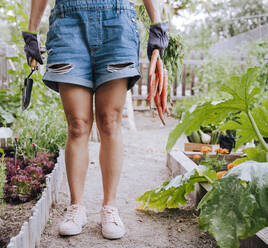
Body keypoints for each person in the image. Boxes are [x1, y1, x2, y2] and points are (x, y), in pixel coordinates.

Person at [22, 0, 168, 240]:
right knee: (78, 125)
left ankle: (109, 207)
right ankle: (76, 207)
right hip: (68, 23)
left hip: (117, 20)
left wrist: (157, 23)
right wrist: (31, 31)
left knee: (109, 120)